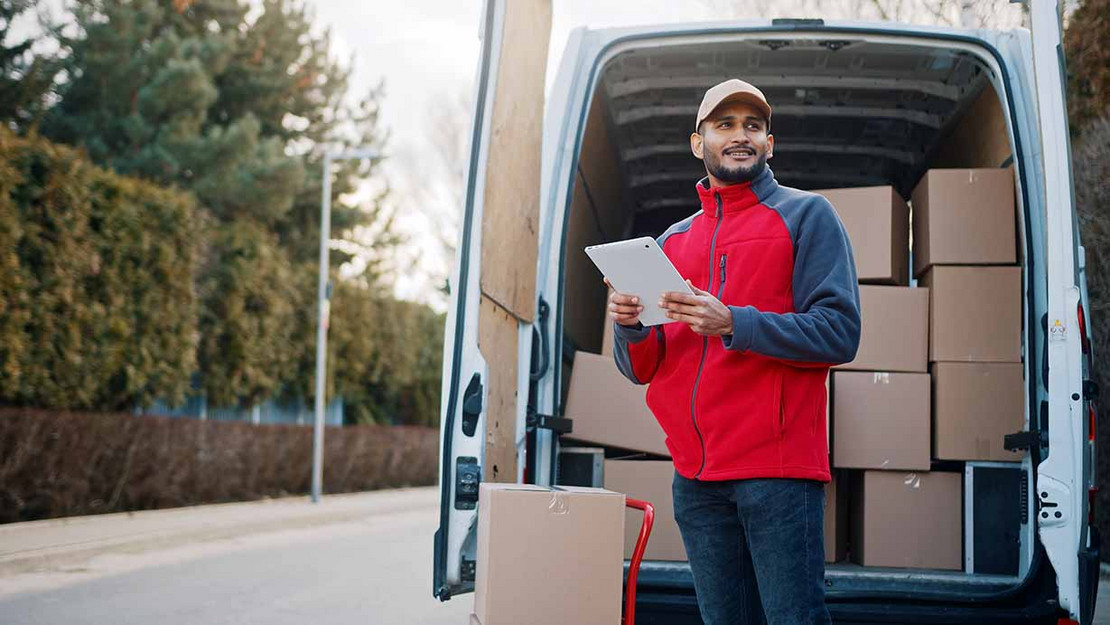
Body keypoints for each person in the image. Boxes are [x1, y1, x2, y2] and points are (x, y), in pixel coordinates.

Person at [607, 78, 861, 625]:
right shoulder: (671, 243)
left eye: (753, 126)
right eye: (724, 125)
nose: (740, 136)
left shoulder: (807, 217)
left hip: (778, 475)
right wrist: (629, 327)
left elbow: (840, 332)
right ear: (698, 143)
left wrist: (734, 323)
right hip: (696, 480)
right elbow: (642, 368)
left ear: (770, 143)